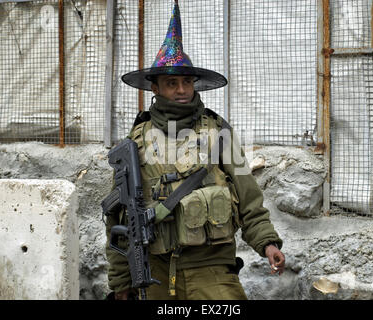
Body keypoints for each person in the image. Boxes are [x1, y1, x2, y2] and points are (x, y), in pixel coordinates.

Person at [105, 0, 285, 300]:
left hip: (211, 269)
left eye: (187, 81)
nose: (181, 90)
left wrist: (267, 244)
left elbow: (248, 197)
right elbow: (119, 218)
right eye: (171, 82)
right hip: (154, 270)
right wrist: (121, 281)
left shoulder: (218, 131)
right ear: (156, 89)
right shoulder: (135, 141)